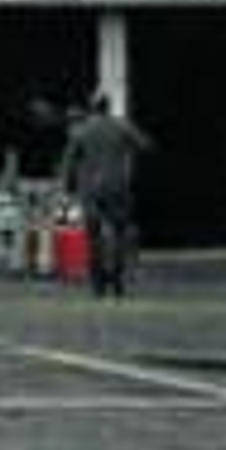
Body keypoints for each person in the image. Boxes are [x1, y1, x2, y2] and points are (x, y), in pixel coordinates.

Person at [60, 91, 151, 298]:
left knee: (93, 237)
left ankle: (98, 284)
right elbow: (145, 144)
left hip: (91, 188)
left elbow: (68, 161)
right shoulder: (122, 126)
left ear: (92, 108)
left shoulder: (81, 131)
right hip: (117, 186)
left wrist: (67, 186)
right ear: (108, 107)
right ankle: (117, 281)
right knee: (119, 234)